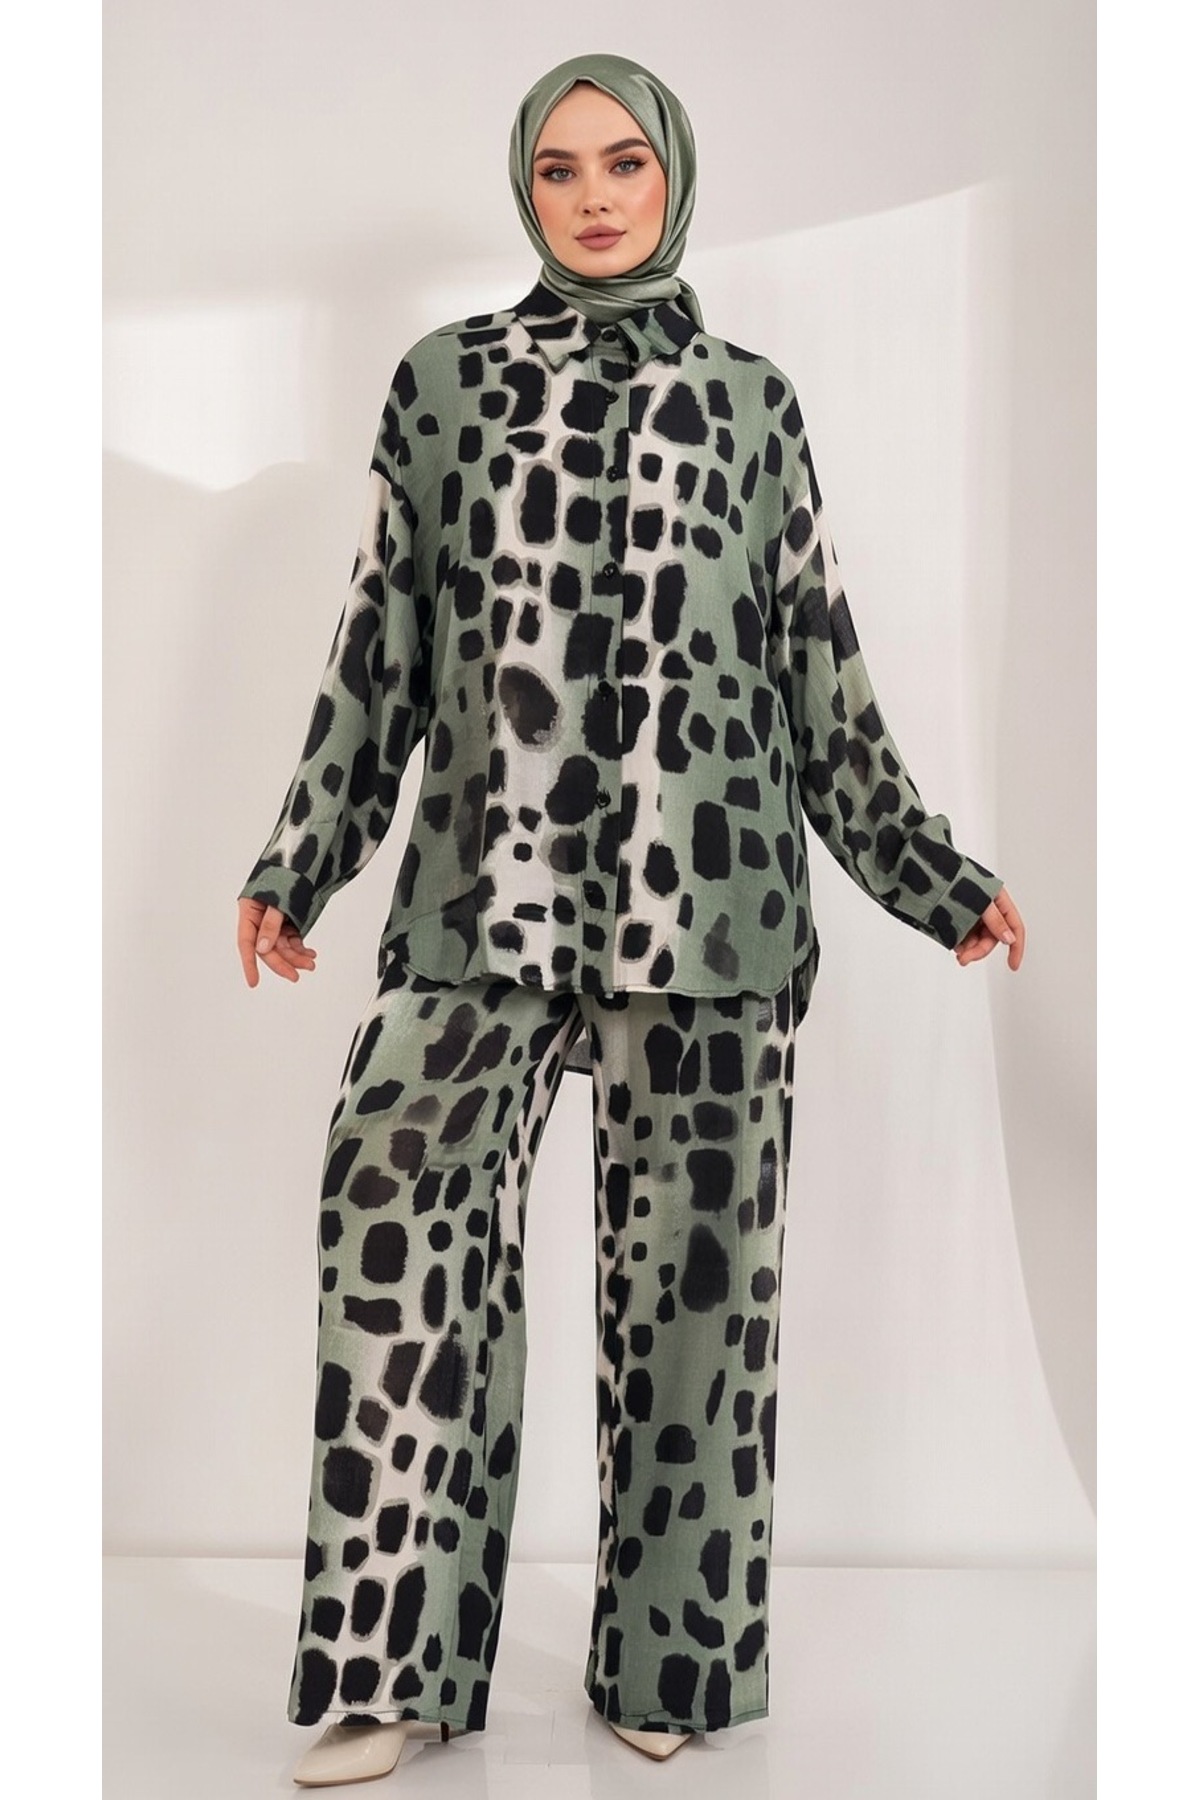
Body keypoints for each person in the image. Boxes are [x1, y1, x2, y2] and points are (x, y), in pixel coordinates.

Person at [235, 50, 1026, 1788]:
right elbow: (379, 652)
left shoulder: (751, 407)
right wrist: (300, 860)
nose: (593, 197)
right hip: (481, 903)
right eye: (559, 169)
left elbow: (819, 673)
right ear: (524, 189)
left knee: (698, 1306)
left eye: (624, 166)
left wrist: (932, 876)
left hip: (713, 920)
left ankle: (670, 1659)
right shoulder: (443, 389)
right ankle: (395, 1663)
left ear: (673, 177)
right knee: (396, 1219)